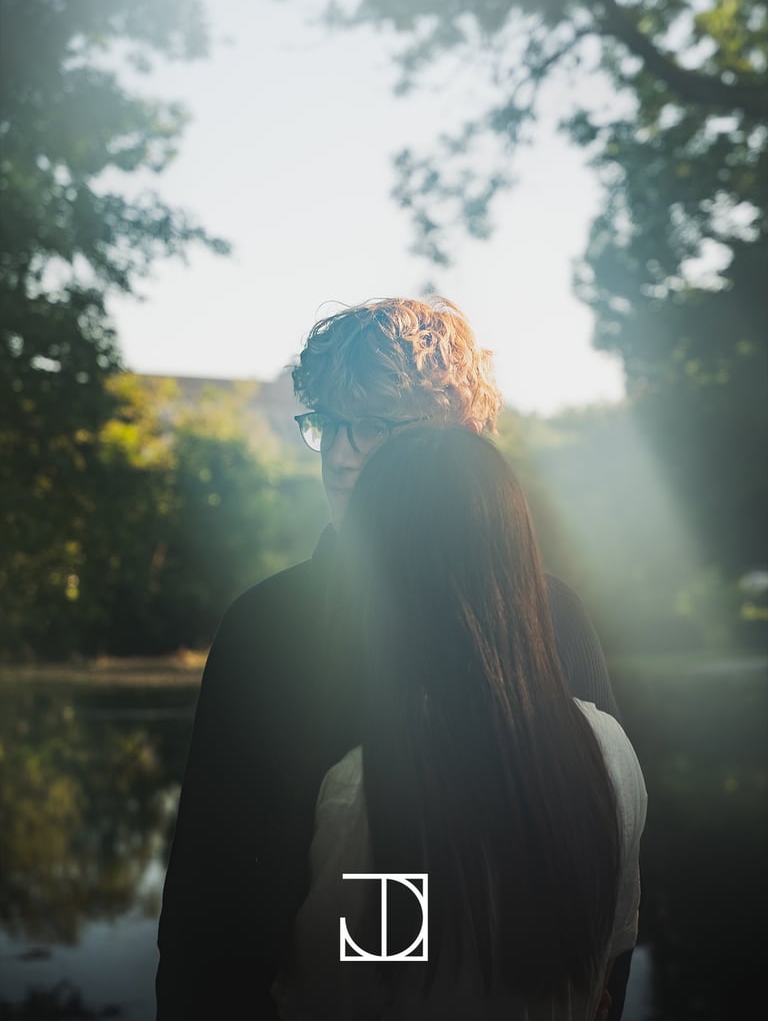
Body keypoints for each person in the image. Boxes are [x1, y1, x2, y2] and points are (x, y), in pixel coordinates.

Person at [155, 297, 629, 1020]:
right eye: (327, 424)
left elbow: (598, 906)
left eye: (374, 426)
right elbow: (208, 923)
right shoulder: (268, 627)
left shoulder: (553, 615)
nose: (341, 454)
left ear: (461, 437)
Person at [272, 425, 647, 1020]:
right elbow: (608, 959)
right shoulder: (611, 754)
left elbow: (333, 1002)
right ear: (519, 554)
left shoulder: (368, 791)